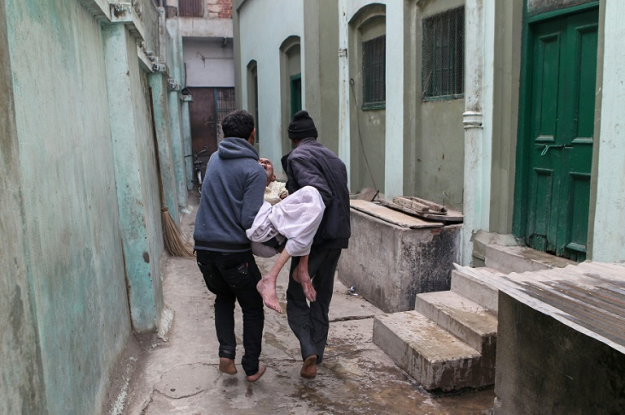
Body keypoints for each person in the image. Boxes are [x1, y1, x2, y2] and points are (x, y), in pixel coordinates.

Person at [193, 110, 267, 382]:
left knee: (223, 298)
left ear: (224, 134)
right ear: (253, 134)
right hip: (233, 253)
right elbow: (249, 219)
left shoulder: (214, 159)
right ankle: (251, 367)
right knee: (252, 304)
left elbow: (225, 188)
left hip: (203, 249)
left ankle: (226, 355)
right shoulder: (253, 170)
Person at [281, 110, 351, 380]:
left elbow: (319, 194)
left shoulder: (298, 156)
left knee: (297, 295)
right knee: (321, 297)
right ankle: (317, 354)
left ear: (293, 139)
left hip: (316, 239)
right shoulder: (335, 158)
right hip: (338, 237)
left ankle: (308, 349)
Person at [248, 184, 324, 313]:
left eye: (267, 162)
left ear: (273, 178)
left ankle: (297, 269)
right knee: (313, 197)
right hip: (261, 230)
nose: (263, 163)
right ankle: (272, 277)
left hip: (273, 237)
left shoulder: (280, 188)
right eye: (260, 162)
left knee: (311, 198)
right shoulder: (255, 180)